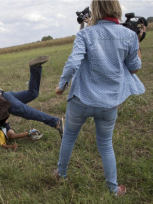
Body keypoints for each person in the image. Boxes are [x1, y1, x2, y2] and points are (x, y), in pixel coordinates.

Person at [54, 0, 146, 197]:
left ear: (95, 10)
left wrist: (61, 86)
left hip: (80, 99)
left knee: (69, 137)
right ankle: (113, 189)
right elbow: (134, 67)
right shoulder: (129, 36)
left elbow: (72, 63)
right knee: (105, 144)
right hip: (108, 103)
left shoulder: (85, 34)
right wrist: (138, 41)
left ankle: (61, 173)